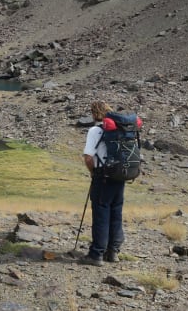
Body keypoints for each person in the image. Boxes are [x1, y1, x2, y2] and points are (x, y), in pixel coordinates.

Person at [80, 101, 124, 266]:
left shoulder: (95, 130)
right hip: (119, 177)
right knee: (115, 213)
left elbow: (88, 157)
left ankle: (96, 254)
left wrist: (92, 172)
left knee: (101, 214)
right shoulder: (120, 129)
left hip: (102, 177)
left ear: (93, 113)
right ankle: (113, 252)